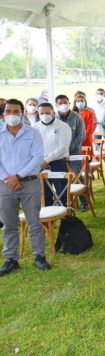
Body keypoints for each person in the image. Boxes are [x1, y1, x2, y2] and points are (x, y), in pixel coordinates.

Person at [0, 99, 50, 276]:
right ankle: (11, 259)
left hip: (29, 182)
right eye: (8, 111)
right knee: (9, 223)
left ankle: (39, 256)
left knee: (34, 222)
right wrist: (8, 179)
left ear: (22, 113)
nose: (11, 115)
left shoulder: (33, 133)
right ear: (3, 113)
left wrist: (18, 176)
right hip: (5, 185)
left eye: (15, 111)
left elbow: (37, 157)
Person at [32, 103, 72, 206]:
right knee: (44, 197)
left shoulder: (63, 126)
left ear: (53, 113)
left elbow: (63, 148)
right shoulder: (35, 127)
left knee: (62, 195)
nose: (44, 115)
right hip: (40, 165)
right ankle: (49, 221)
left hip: (58, 164)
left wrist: (47, 160)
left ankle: (65, 220)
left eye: (47, 113)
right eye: (42, 113)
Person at [55, 95, 86, 175]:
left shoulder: (77, 118)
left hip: (74, 153)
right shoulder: (54, 118)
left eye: (65, 102)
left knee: (75, 177)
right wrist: (60, 150)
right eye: (60, 103)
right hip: (57, 155)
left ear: (69, 103)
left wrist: (67, 149)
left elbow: (81, 137)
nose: (63, 105)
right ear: (56, 105)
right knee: (61, 177)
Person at [73, 91, 96, 160]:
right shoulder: (72, 114)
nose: (80, 102)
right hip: (74, 142)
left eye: (82, 101)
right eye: (78, 101)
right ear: (75, 103)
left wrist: (80, 139)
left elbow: (90, 129)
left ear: (85, 102)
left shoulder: (89, 113)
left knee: (87, 162)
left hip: (86, 140)